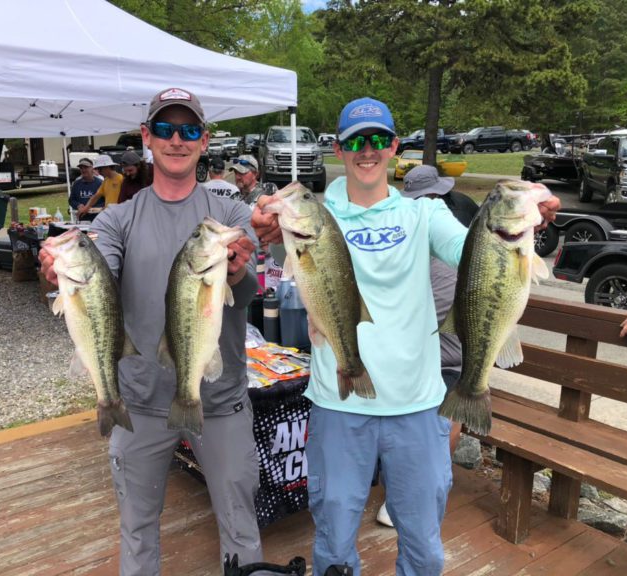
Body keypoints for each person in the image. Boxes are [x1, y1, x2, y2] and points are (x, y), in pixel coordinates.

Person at [252, 97, 561, 576]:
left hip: (418, 406)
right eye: (356, 141)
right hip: (339, 403)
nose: (367, 150)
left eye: (378, 139)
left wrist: (527, 221)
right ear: (339, 148)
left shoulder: (424, 215)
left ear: (395, 147)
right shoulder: (314, 214)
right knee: (333, 541)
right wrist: (264, 223)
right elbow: (262, 237)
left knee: (423, 547)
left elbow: (473, 252)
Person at [39, 87, 262, 575]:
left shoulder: (229, 216)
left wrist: (241, 271)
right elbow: (100, 269)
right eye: (164, 128)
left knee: (241, 524)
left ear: (204, 141)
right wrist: (59, 269)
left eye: (188, 130)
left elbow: (246, 297)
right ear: (146, 138)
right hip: (137, 400)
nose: (176, 139)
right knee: (137, 528)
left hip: (219, 398)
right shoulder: (117, 217)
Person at [375, 163, 477, 528]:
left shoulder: (421, 242)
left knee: (434, 404)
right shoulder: (455, 231)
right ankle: (415, 490)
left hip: (438, 362)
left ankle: (406, 492)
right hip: (440, 363)